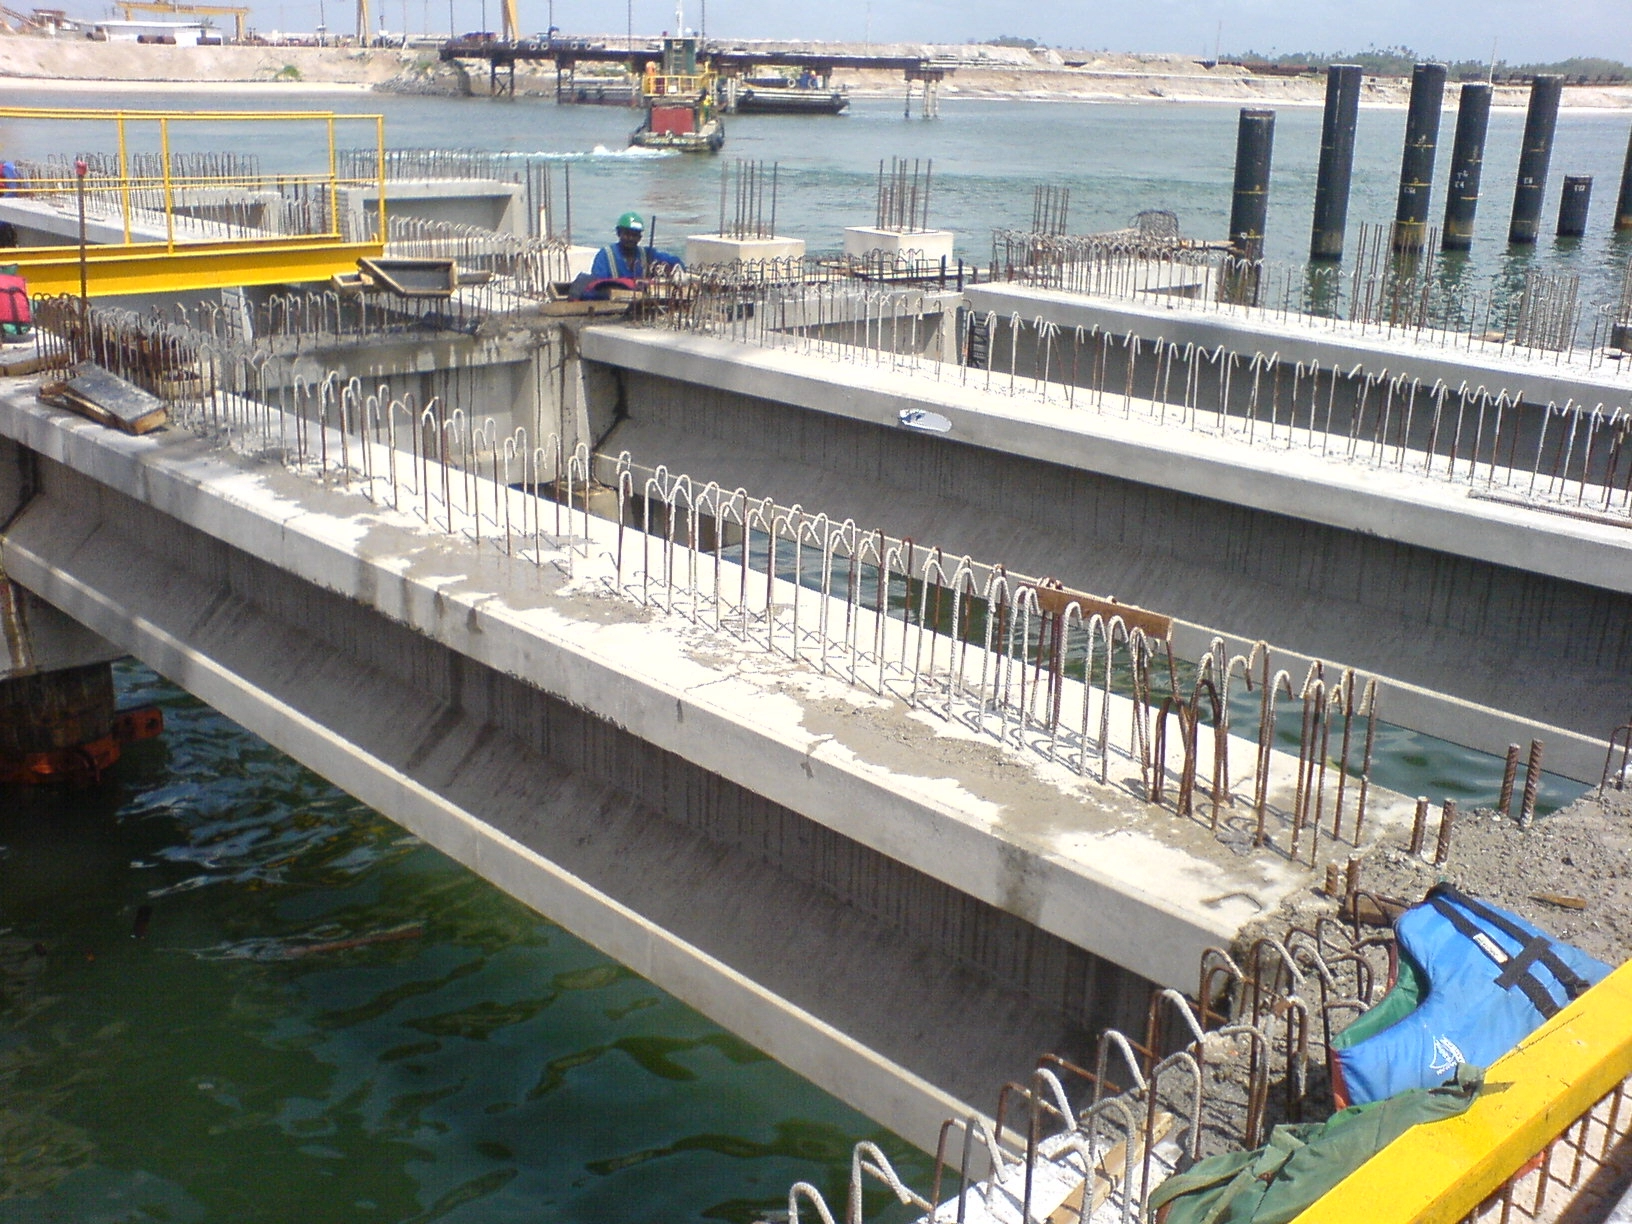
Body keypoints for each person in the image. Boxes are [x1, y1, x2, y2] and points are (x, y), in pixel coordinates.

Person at [589, 212, 683, 281]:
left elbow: (676, 262)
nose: (630, 238)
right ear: (618, 233)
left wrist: (672, 270)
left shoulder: (648, 254)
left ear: (640, 237)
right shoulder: (605, 256)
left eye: (635, 235)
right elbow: (597, 284)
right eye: (627, 234)